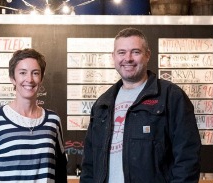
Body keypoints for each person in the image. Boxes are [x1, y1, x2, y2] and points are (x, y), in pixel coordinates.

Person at [80, 27, 201, 183]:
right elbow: (89, 163)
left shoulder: (171, 96)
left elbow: (188, 157)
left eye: (135, 52)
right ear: (113, 57)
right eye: (121, 52)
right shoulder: (102, 103)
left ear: (147, 55)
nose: (128, 58)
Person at [0, 48, 68, 183]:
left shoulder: (52, 121)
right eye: (22, 73)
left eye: (35, 73)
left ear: (41, 78)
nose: (29, 79)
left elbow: (60, 169)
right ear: (12, 78)